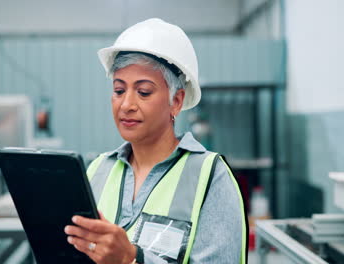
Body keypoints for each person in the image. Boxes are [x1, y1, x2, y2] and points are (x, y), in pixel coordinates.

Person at [64, 18, 247, 264]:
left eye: (144, 92)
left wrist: (131, 259)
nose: (126, 105)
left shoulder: (210, 177)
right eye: (119, 91)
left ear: (176, 102)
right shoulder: (98, 170)